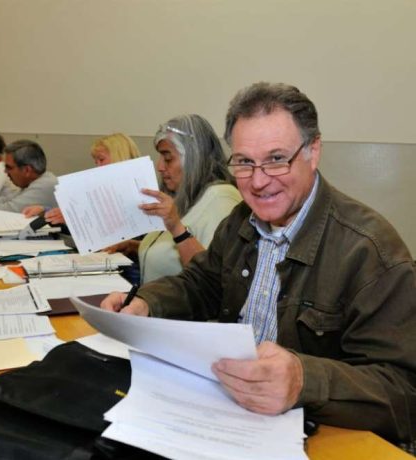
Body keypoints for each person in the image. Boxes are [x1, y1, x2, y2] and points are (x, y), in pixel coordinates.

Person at [101, 82, 416, 449]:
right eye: (245, 162)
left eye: (277, 158)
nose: (259, 180)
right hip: (226, 415)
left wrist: (303, 380)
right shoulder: (239, 220)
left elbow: (404, 392)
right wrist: (146, 303)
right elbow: (202, 282)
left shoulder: (370, 251)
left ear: (313, 151)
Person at [109, 114, 242, 283]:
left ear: (194, 159)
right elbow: (171, 255)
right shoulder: (185, 197)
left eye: (168, 158)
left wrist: (177, 228)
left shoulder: (221, 199)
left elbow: (212, 276)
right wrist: (134, 247)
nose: (160, 167)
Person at [23, 132, 141, 223]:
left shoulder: (138, 191)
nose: (98, 166)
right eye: (96, 162)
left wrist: (72, 217)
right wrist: (46, 212)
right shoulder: (102, 187)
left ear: (119, 157)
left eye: (101, 160)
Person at [0, 140, 58, 212]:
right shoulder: (37, 180)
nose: (5, 171)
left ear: (27, 170)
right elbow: (5, 200)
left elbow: (9, 209)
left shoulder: (45, 186)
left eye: (9, 167)